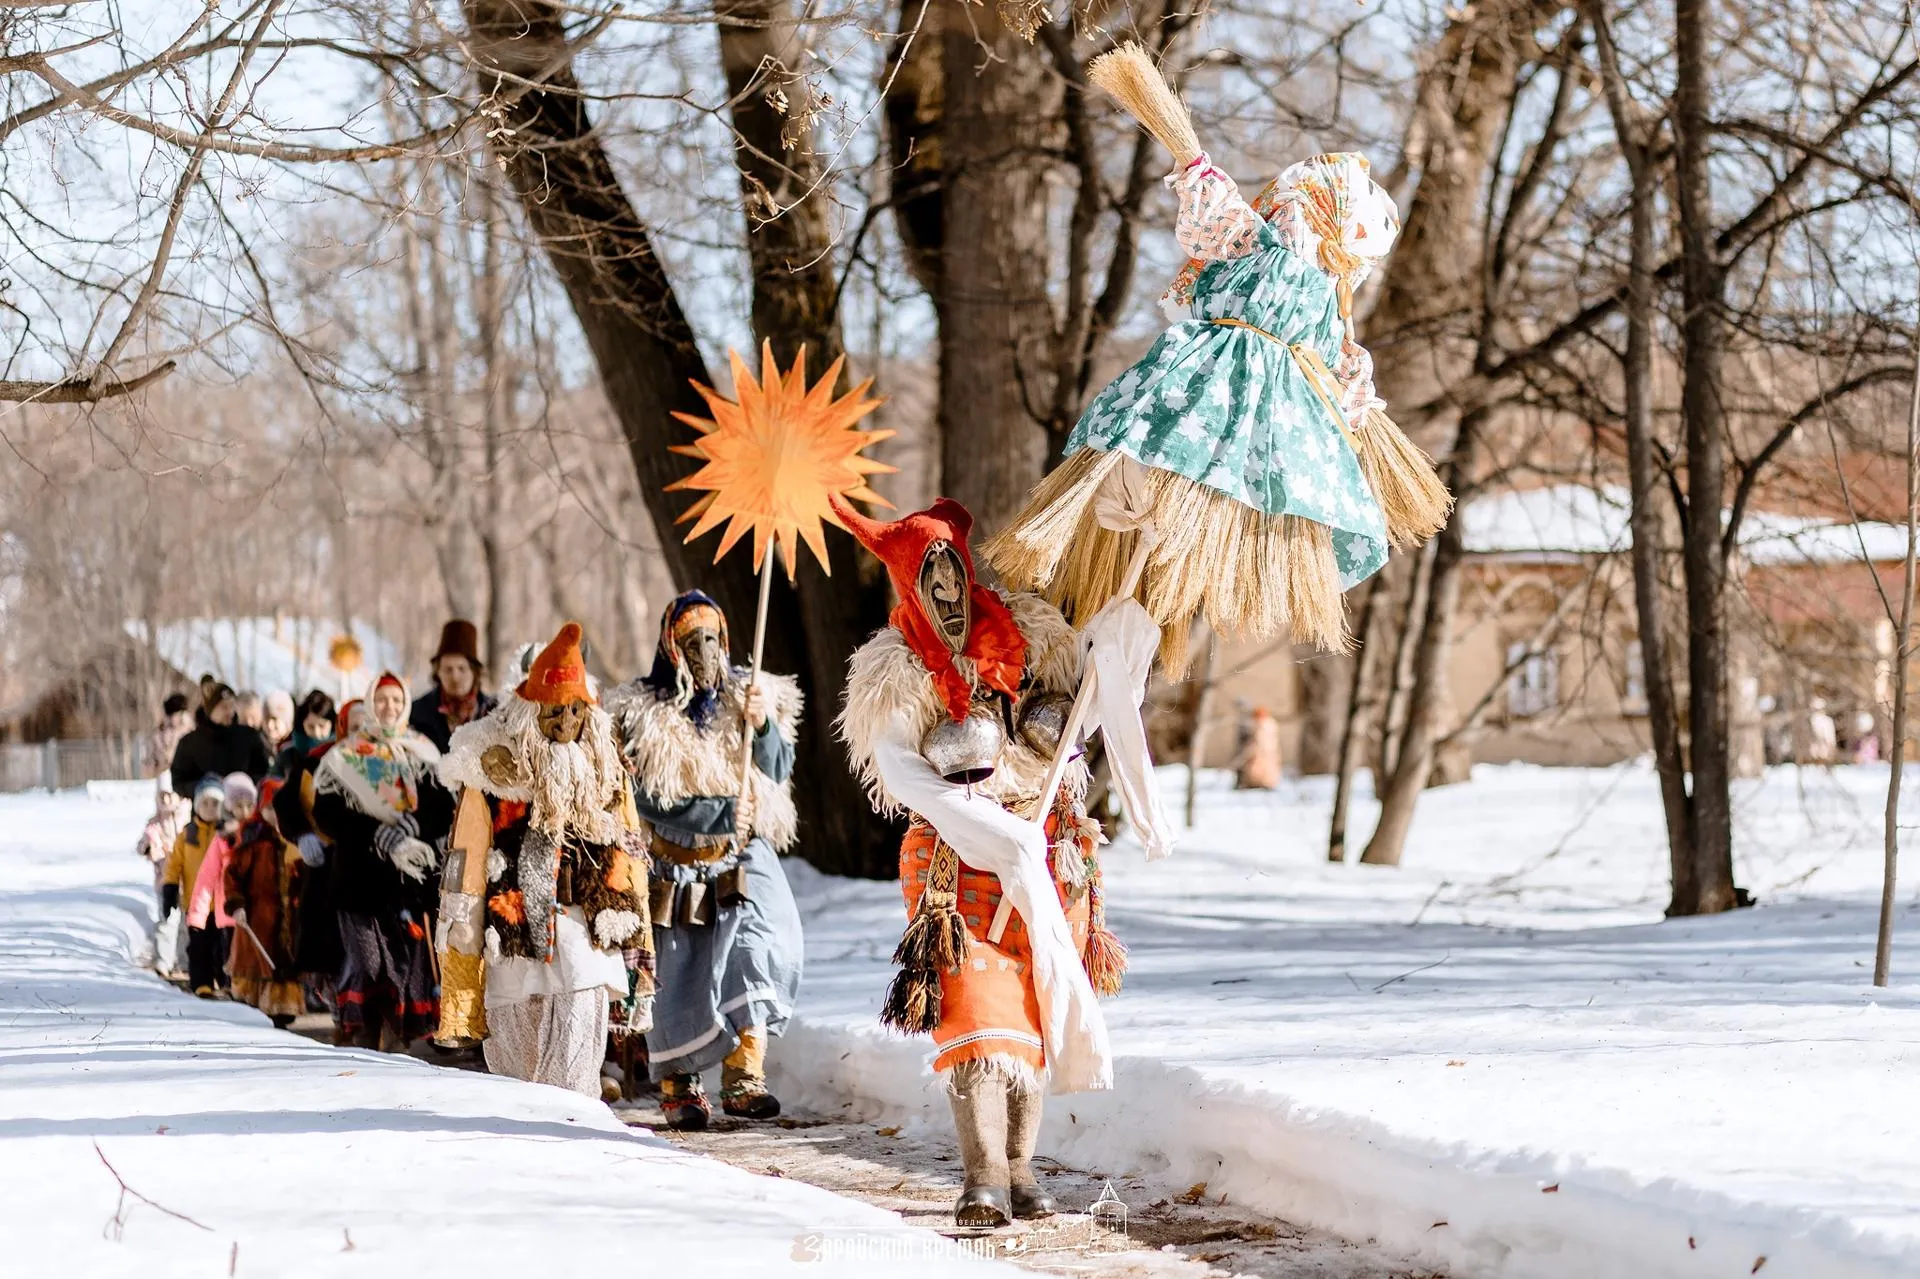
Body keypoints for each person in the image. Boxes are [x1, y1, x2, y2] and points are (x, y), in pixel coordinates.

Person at [835, 495, 1165, 1228]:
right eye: (931, 579)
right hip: (956, 854)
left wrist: (1115, 646)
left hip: (1046, 840)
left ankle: (1021, 1167)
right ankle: (982, 1175)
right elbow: (902, 772)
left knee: (1036, 1000)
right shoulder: (893, 671)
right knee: (976, 1008)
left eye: (953, 571)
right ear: (908, 585)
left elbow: (1083, 702)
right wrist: (983, 828)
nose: (948, 591)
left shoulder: (1032, 630)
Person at [606, 591, 804, 1130]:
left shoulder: (751, 693)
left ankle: (746, 1075)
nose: (705, 651)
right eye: (692, 641)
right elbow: (643, 796)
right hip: (673, 861)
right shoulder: (638, 712)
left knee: (755, 946)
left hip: (740, 857)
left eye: (712, 639)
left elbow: (778, 766)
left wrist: (761, 726)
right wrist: (718, 813)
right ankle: (680, 1085)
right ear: (671, 645)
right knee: (680, 972)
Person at [435, 622, 655, 1095]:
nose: (564, 724)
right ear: (531, 709)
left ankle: (572, 1130)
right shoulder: (490, 773)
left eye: (574, 712)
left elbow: (631, 860)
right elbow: (466, 870)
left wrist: (640, 956)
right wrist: (460, 972)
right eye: (554, 713)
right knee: (518, 1069)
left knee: (576, 1063)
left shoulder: (605, 770)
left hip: (586, 936)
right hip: (511, 939)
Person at [311, 673, 451, 1049]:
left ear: (404, 704)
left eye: (395, 700)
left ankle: (394, 1052)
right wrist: (373, 832)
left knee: (406, 966)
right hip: (359, 880)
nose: (388, 707)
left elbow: (443, 806)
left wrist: (412, 826)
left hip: (408, 881)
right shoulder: (344, 757)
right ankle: (362, 1040)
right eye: (381, 700)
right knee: (369, 964)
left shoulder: (423, 750)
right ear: (370, 703)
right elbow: (327, 812)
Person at [224, 777, 306, 1027]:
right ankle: (257, 1011)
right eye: (269, 808)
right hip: (258, 915)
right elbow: (233, 875)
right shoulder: (254, 839)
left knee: (285, 960)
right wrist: (237, 904)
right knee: (259, 960)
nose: (274, 814)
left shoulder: (296, 840)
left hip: (289, 918)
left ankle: (282, 1011)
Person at [163, 776, 232, 998]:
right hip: (196, 903)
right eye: (205, 803)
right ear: (196, 805)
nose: (211, 809)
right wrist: (170, 888)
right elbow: (174, 864)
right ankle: (202, 983)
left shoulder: (227, 833)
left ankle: (225, 981)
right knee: (199, 946)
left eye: (215, 804)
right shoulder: (187, 835)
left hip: (223, 903)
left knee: (224, 947)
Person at [169, 683, 272, 799]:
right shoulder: (189, 743)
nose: (229, 712)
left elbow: (264, 773)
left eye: (232, 706)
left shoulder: (250, 736)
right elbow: (178, 782)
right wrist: (205, 787)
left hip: (244, 808)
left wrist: (240, 783)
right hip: (205, 811)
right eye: (224, 707)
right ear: (210, 710)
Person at [410, 619, 495, 753]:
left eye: (462, 669)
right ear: (438, 672)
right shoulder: (417, 713)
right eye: (448, 669)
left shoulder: (494, 713)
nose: (455, 678)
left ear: (474, 672)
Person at [139, 785, 189, 977]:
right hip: (164, 880)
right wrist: (149, 847)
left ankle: (184, 961)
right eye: (162, 797)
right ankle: (163, 960)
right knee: (167, 920)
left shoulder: (186, 820)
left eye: (170, 796)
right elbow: (142, 845)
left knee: (186, 922)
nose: (166, 801)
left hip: (187, 881)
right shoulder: (154, 825)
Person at [273, 690, 336, 778]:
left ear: (332, 725)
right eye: (311, 726)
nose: (316, 733)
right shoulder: (288, 756)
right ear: (302, 725)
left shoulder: (340, 755)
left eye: (322, 726)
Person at [143, 694, 194, 778]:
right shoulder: (159, 734)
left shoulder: (191, 732)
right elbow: (149, 763)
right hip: (165, 776)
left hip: (186, 779)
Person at [262, 690, 295, 755]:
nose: (269, 725)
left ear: (287, 722)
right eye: (266, 719)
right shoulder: (261, 748)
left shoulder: (295, 752)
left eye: (274, 719)